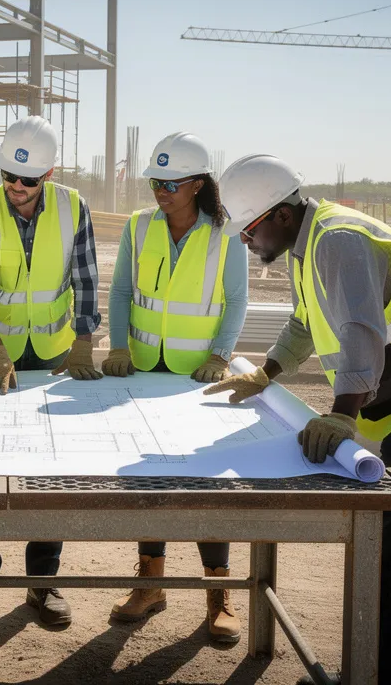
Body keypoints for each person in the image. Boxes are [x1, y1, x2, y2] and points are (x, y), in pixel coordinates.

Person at [206, 154, 391, 684]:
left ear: (279, 215)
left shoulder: (338, 241)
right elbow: (306, 322)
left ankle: (373, 676)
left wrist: (343, 415)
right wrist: (267, 373)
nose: (244, 243)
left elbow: (361, 329)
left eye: (248, 230)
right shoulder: (312, 242)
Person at [0, 115, 102, 628]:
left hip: (55, 350)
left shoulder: (73, 207)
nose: (17, 188)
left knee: (50, 468)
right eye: (8, 177)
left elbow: (85, 277)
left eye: (29, 180)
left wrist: (84, 342)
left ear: (50, 174)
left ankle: (43, 581)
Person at [102, 132, 249, 643]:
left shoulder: (224, 235)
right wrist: (117, 346)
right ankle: (151, 585)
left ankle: (219, 595)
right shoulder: (140, 228)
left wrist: (219, 356)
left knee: (206, 485)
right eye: (155, 181)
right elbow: (121, 289)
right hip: (143, 371)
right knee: (148, 483)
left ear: (198, 185)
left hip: (197, 380)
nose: (160, 191)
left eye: (171, 183)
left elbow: (235, 301)